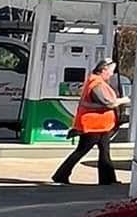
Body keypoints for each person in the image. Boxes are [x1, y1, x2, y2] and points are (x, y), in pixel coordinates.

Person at [52, 57, 126, 187]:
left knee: (103, 152)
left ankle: (107, 179)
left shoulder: (95, 81)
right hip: (93, 125)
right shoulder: (97, 84)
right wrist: (124, 100)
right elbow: (108, 103)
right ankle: (61, 175)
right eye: (111, 71)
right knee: (82, 151)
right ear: (104, 69)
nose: (112, 74)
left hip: (100, 125)